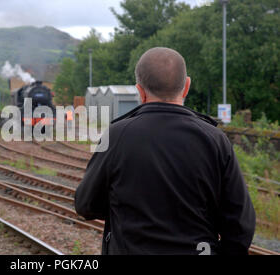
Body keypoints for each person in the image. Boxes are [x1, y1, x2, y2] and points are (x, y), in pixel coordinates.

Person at [75, 47, 256, 255]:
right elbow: (241, 224)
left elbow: (86, 205)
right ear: (186, 86)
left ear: (140, 91)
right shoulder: (215, 140)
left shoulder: (116, 136)